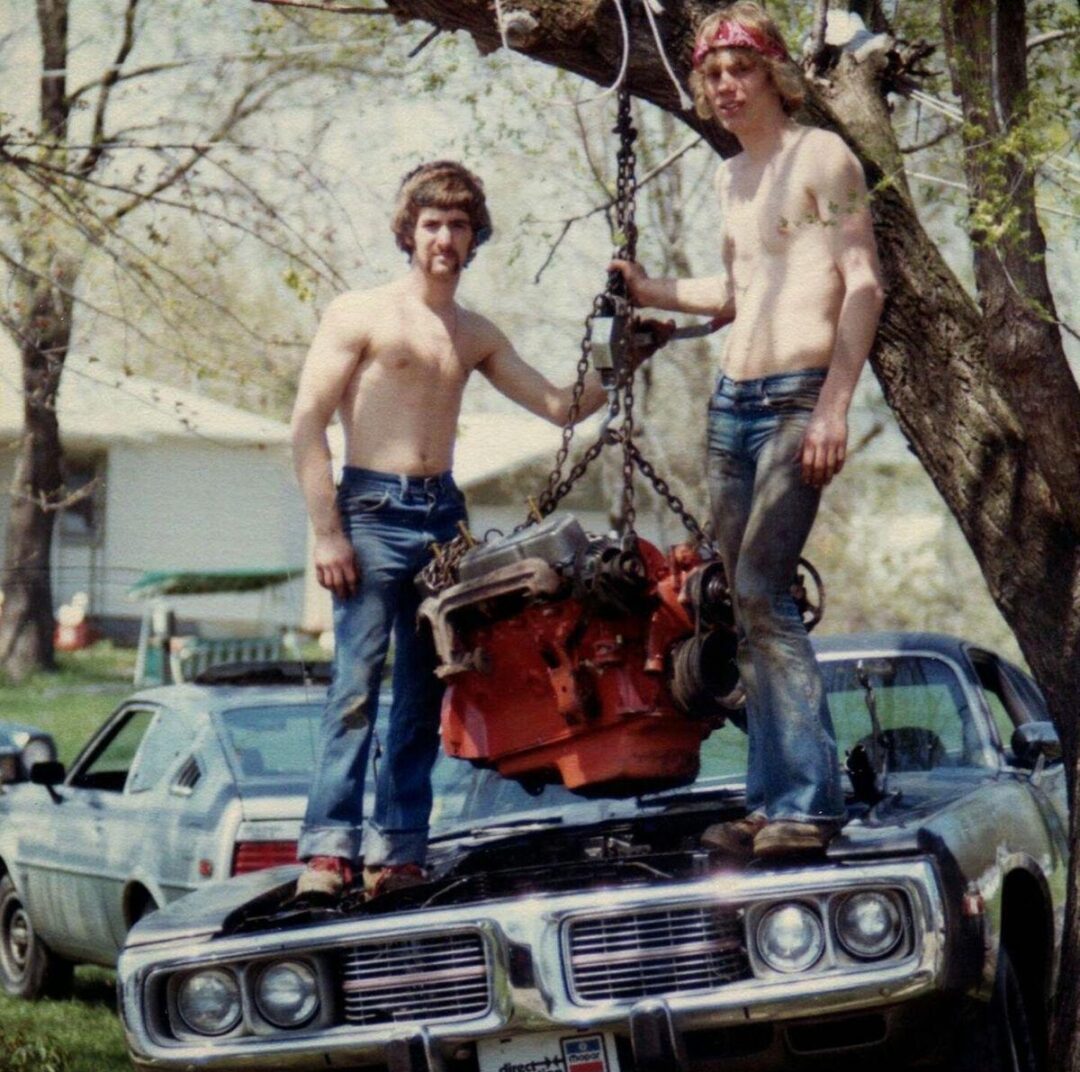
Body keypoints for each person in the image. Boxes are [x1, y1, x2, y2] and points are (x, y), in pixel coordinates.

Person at [291, 161, 663, 900]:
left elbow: (559, 406)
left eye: (458, 226)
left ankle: (399, 850)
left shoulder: (473, 332)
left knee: (427, 691)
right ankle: (329, 851)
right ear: (409, 232)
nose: (444, 238)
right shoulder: (360, 313)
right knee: (356, 687)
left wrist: (623, 358)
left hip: (442, 522)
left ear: (474, 237)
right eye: (431, 224)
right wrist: (326, 532)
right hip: (370, 511)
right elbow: (306, 424)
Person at [611, 1, 884, 860]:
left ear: (773, 74)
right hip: (730, 404)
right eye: (713, 75)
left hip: (799, 399)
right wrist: (651, 291)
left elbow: (864, 282)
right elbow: (735, 296)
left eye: (740, 70)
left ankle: (808, 801)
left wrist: (835, 405)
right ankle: (769, 804)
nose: (726, 86)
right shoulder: (731, 177)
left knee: (764, 591)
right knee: (742, 602)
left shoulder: (823, 155)